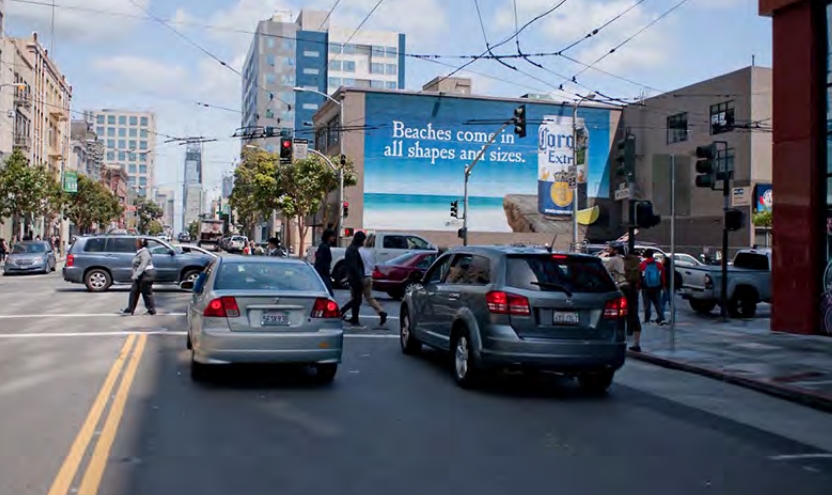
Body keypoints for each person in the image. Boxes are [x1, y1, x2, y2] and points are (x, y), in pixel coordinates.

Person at [121, 238, 156, 316]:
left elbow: (143, 265)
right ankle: (130, 309)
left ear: (141, 244)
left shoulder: (145, 253)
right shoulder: (140, 252)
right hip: (142, 275)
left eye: (137, 242)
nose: (135, 244)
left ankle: (151, 310)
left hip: (147, 274)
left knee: (146, 293)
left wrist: (136, 275)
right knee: (134, 291)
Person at [340, 231, 366, 326]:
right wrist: (359, 278)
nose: (363, 242)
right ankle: (343, 311)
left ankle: (354, 318)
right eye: (362, 240)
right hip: (354, 278)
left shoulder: (352, 249)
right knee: (357, 299)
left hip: (353, 277)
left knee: (356, 299)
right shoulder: (353, 250)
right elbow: (354, 266)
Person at [359, 244, 388, 326]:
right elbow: (373, 266)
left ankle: (343, 312)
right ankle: (381, 312)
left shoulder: (359, 251)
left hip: (362, 276)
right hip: (369, 276)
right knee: (369, 297)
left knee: (355, 297)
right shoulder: (371, 252)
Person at [622, 247, 643, 352]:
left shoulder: (625, 262)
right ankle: (636, 342)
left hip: (626, 288)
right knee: (634, 315)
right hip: (634, 289)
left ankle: (626, 337)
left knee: (624, 314)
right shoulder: (637, 262)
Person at [640, 250, 665, 326]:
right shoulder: (658, 264)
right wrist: (663, 285)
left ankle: (647, 319)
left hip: (646, 287)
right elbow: (662, 276)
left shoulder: (643, 264)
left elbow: (640, 275)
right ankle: (661, 317)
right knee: (658, 303)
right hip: (656, 287)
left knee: (647, 304)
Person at [314, 230, 335, 296]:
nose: (334, 238)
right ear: (328, 237)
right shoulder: (324, 247)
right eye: (332, 236)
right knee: (328, 293)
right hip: (323, 273)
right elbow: (320, 261)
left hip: (323, 273)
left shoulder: (324, 246)